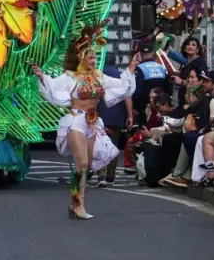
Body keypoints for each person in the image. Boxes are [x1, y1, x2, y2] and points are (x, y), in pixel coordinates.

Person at [33, 22, 139, 219]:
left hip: (92, 123)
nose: (94, 60)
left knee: (87, 165)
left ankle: (76, 200)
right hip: (76, 122)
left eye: (95, 56)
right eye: (91, 56)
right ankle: (78, 203)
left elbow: (122, 85)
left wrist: (131, 69)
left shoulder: (99, 77)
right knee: (81, 163)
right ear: (81, 57)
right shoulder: (70, 78)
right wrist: (41, 76)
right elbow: (52, 87)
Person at [95, 52, 133, 188]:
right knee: (113, 145)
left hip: (99, 115)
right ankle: (111, 176)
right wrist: (130, 115)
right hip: (117, 117)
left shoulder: (97, 75)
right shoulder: (121, 76)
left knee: (98, 145)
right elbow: (127, 96)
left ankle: (101, 174)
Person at [133, 43, 169, 126]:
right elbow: (167, 88)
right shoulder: (161, 68)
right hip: (161, 107)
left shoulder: (139, 68)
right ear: (153, 53)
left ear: (140, 54)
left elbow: (137, 90)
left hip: (145, 109)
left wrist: (134, 107)